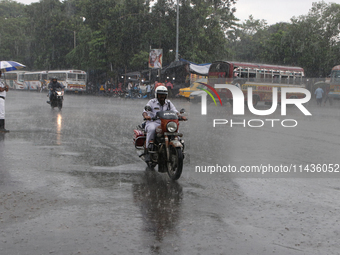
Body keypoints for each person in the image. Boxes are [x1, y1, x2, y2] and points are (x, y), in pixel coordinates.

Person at [142, 86, 186, 162]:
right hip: (154, 122)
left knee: (175, 130)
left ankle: (178, 148)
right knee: (152, 129)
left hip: (166, 123)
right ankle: (147, 151)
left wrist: (180, 116)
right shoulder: (151, 102)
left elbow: (175, 111)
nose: (162, 96)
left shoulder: (168, 103)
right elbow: (145, 111)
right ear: (157, 94)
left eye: (163, 94)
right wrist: (146, 116)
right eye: (160, 94)